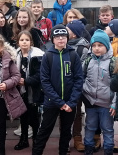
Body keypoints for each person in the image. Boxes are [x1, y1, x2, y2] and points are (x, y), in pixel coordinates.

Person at [32, 24, 83, 155]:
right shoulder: (48, 56)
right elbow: (45, 81)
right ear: (52, 39)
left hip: (70, 103)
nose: (61, 39)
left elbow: (78, 79)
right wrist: (59, 102)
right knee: (44, 131)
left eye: (63, 36)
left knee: (66, 132)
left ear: (67, 38)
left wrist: (71, 102)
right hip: (51, 102)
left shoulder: (73, 55)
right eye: (57, 36)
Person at [82, 30, 117, 155]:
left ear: (107, 46)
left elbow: (116, 86)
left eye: (100, 45)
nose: (97, 48)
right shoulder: (88, 61)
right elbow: (82, 77)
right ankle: (88, 148)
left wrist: (114, 103)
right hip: (91, 102)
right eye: (94, 45)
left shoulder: (113, 62)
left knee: (107, 129)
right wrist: (85, 92)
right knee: (90, 127)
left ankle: (108, 150)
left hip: (107, 104)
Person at [14, 31, 44, 151]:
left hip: (34, 90)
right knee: (23, 116)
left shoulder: (38, 55)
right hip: (20, 91)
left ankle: (36, 139)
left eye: (27, 40)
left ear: (31, 42)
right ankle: (24, 139)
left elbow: (40, 74)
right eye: (22, 40)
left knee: (34, 117)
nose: (24, 42)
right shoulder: (15, 54)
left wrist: (26, 81)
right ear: (18, 42)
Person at [66, 20, 90, 152]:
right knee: (64, 113)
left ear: (74, 34)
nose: (65, 31)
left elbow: (81, 70)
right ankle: (65, 139)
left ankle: (77, 138)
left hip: (76, 86)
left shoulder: (83, 49)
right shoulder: (61, 45)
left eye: (68, 30)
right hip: (63, 86)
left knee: (77, 113)